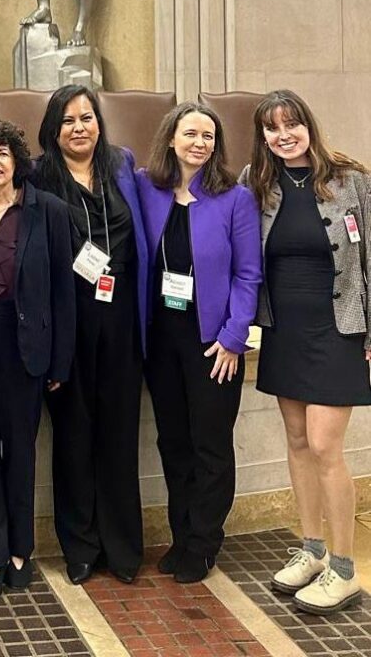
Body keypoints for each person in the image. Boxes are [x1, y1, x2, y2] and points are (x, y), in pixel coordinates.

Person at [244, 90, 371, 613]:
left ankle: (345, 568)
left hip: (338, 329)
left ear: (307, 125)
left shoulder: (350, 179)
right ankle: (314, 550)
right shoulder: (257, 186)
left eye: (291, 123)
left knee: (324, 446)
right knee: (296, 442)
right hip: (284, 331)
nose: (283, 134)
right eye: (273, 128)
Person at [0, 120, 76, 600]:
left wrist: (60, 363)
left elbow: (65, 295)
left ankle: (22, 547)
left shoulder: (50, 211)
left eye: (2, 153)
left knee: (20, 449)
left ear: (18, 161)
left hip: (24, 341)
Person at [136, 103, 261, 583]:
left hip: (213, 344)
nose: (200, 143)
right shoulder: (149, 187)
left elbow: (248, 274)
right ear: (171, 138)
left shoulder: (235, 198)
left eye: (208, 136)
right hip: (161, 342)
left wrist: (234, 338)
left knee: (210, 446)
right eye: (191, 133)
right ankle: (180, 535)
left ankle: (204, 543)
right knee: (174, 443)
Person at [33, 85, 148, 584]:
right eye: (68, 120)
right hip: (68, 315)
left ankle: (123, 547)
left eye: (87, 117)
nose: (79, 128)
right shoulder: (39, 177)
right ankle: (80, 546)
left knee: (121, 433)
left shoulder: (121, 165)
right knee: (74, 434)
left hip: (120, 309)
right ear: (53, 129)